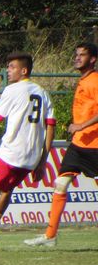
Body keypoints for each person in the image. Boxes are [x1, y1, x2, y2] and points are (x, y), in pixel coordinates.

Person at [25, 42, 98, 247]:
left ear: (93, 59)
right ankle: (50, 235)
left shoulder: (95, 81)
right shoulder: (83, 80)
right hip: (78, 145)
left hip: (94, 145)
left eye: (82, 55)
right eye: (76, 54)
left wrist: (81, 125)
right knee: (61, 184)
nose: (77, 58)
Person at [0, 52, 55, 251]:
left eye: (12, 67)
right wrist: (42, 161)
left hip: (10, 153)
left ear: (24, 70)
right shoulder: (43, 92)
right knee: (7, 191)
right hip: (31, 157)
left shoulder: (12, 90)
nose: (8, 70)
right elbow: (51, 126)